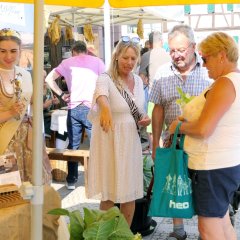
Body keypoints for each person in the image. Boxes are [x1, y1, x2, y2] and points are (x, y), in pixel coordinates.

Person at [169, 32, 240, 240]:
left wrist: (178, 127)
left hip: (212, 167)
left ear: (221, 55)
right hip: (225, 165)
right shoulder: (234, 80)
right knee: (222, 222)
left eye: (205, 58)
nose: (203, 63)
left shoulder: (224, 83)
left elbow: (203, 129)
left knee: (208, 229)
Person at [149, 25, 212, 240]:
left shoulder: (208, 72)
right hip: (173, 141)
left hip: (203, 142)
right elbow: (158, 109)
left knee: (203, 187)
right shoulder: (162, 73)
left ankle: (209, 228)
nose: (177, 55)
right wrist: (155, 142)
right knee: (175, 184)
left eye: (181, 49)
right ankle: (178, 231)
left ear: (193, 47)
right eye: (173, 50)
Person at [87, 36, 151, 226]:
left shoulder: (139, 82)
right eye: (125, 58)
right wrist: (105, 108)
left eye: (133, 58)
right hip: (110, 142)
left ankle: (124, 235)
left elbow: (139, 112)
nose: (129, 63)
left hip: (130, 142)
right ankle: (103, 235)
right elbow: (101, 95)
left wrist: (144, 120)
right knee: (108, 194)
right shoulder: (105, 78)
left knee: (129, 194)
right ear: (116, 57)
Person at [45, 40, 105, 190]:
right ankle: (98, 179)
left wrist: (61, 95)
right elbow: (106, 82)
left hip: (74, 108)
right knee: (96, 144)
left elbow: (48, 79)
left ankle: (71, 180)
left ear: (73, 52)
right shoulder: (97, 62)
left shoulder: (67, 62)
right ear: (85, 51)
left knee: (73, 145)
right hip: (92, 107)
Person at [0, 28, 52, 184]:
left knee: (31, 188)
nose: (8, 56)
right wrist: (10, 112)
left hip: (26, 139)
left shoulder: (26, 74)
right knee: (9, 188)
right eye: (2, 51)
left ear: (20, 51)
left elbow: (31, 104)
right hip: (4, 141)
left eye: (13, 51)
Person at [43, 69, 59, 137]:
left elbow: (54, 100)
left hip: (49, 114)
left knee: (63, 120)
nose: (44, 79)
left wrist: (55, 101)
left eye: (45, 76)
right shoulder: (34, 89)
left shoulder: (48, 88)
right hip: (41, 117)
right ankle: (46, 138)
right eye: (42, 77)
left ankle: (60, 142)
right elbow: (30, 108)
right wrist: (44, 106)